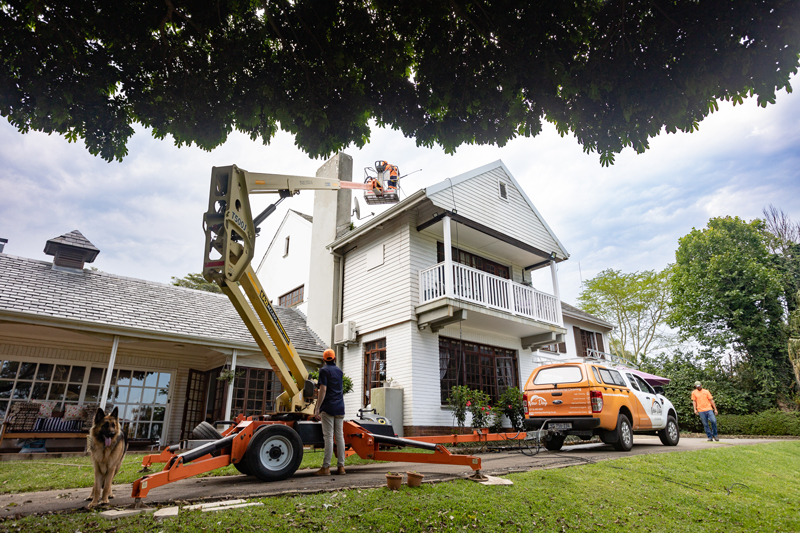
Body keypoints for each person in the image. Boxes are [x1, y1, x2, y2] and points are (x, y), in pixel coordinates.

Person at [314, 349, 346, 475]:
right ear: (335, 358)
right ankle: (341, 467)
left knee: (328, 437)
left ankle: (326, 467)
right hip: (340, 407)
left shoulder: (323, 370)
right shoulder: (339, 371)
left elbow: (323, 389)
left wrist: (317, 408)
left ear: (324, 359)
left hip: (328, 408)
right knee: (340, 436)